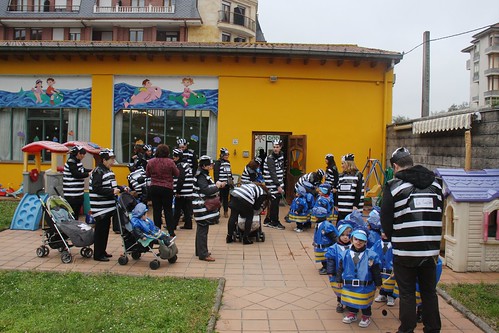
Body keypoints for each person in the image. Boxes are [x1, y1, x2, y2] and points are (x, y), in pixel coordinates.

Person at [380, 147, 443, 333]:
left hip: (405, 250)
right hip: (430, 250)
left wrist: (395, 238)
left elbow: (386, 219)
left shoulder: (394, 186)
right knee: (429, 292)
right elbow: (439, 212)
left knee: (407, 293)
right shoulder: (437, 184)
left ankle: (406, 329)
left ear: (396, 166)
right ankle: (433, 329)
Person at [337, 229, 382, 328]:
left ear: (366, 242)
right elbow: (340, 268)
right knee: (351, 301)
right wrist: (339, 279)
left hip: (365, 285)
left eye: (362, 240)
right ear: (351, 240)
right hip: (349, 285)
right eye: (356, 239)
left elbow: (376, 271)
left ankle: (366, 316)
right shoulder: (345, 254)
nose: (358, 242)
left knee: (365, 302)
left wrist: (378, 283)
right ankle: (352, 313)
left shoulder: (371, 255)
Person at [89, 149, 121, 262]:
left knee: (105, 230)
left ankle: (102, 251)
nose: (113, 161)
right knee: (100, 231)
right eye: (111, 159)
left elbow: (112, 186)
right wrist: (112, 192)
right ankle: (98, 254)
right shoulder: (98, 171)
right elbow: (97, 188)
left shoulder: (108, 171)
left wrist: (121, 188)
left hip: (108, 207)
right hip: (100, 207)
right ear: (104, 160)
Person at [193, 155, 226, 261]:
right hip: (202, 206)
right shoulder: (201, 176)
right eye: (210, 164)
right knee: (203, 229)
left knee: (201, 228)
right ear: (204, 166)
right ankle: (203, 254)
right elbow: (206, 190)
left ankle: (199, 251)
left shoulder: (201, 174)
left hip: (201, 205)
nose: (212, 166)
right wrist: (217, 186)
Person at [145, 144, 179, 236]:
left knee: (157, 210)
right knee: (168, 210)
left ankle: (157, 230)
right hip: (167, 187)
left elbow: (147, 174)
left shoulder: (151, 162)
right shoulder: (170, 162)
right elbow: (177, 173)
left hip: (154, 187)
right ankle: (171, 231)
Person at [325, 222, 353, 313]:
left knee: (349, 288)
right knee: (339, 288)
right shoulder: (334, 248)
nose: (345, 237)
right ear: (339, 235)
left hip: (351, 273)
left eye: (348, 235)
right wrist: (330, 272)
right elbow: (331, 261)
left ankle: (349, 303)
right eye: (343, 235)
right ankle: (340, 302)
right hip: (338, 273)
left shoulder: (353, 247)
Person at [63, 145, 92, 219]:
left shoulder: (78, 162)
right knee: (72, 213)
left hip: (78, 193)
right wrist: (88, 174)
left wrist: (91, 170)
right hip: (71, 194)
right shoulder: (71, 162)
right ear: (78, 154)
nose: (83, 156)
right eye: (82, 154)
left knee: (76, 213)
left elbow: (82, 170)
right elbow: (76, 174)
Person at [263, 139, 285, 230]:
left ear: (280, 147)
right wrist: (278, 185)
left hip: (278, 184)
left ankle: (268, 220)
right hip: (272, 185)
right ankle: (274, 222)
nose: (275, 149)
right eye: (274, 147)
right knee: (274, 204)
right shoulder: (270, 158)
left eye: (277, 147)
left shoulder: (281, 156)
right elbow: (272, 173)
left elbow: (280, 169)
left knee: (273, 203)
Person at [335, 154, 365, 221]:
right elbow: (338, 191)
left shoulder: (358, 175)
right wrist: (336, 204)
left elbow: (359, 192)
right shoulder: (341, 176)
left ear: (348, 164)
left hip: (353, 209)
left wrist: (355, 205)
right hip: (342, 208)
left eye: (343, 163)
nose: (341, 166)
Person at [172, 148, 194, 230]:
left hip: (182, 191)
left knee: (177, 209)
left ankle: (173, 225)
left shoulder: (180, 166)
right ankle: (188, 224)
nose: (173, 158)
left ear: (178, 157)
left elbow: (180, 179)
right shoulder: (186, 164)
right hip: (187, 191)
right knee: (185, 209)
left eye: (174, 157)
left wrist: (177, 190)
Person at [312, 206, 338, 275]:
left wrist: (336, 245)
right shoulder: (318, 225)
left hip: (326, 247)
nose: (314, 217)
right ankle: (324, 266)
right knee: (322, 258)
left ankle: (327, 268)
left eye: (315, 216)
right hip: (321, 246)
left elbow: (333, 237)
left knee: (327, 258)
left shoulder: (326, 226)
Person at [214, 147, 234, 218]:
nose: (227, 156)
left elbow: (230, 172)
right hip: (220, 184)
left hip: (227, 184)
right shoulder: (218, 163)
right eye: (225, 155)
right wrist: (217, 182)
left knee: (226, 198)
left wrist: (231, 179)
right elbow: (216, 173)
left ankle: (226, 211)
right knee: (219, 198)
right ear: (221, 155)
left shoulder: (228, 162)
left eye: (227, 154)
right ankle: (217, 212)